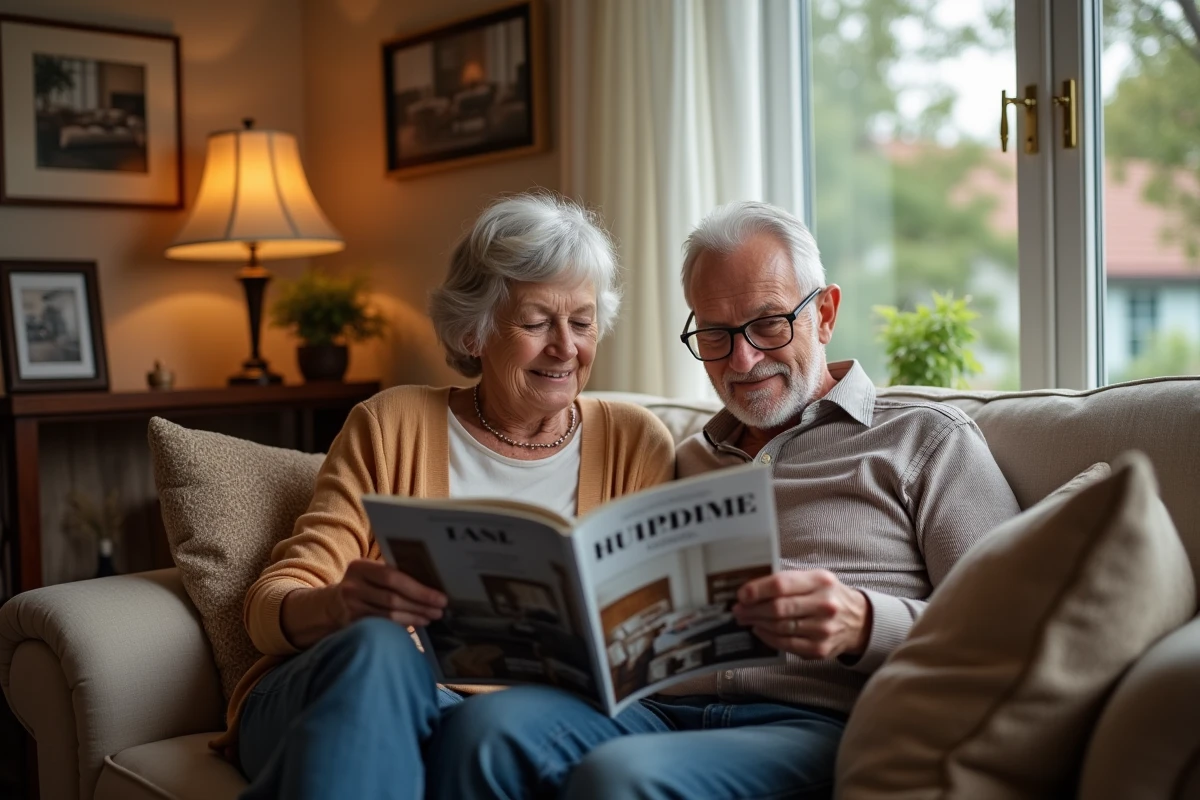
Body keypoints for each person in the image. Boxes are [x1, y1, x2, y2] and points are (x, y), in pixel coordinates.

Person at [428, 201, 1021, 799]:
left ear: (825, 313)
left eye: (768, 323)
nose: (742, 359)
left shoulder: (925, 440)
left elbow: (1015, 630)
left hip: (815, 724)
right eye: (714, 333)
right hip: (656, 712)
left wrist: (865, 622)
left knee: (621, 778)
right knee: (484, 730)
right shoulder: (680, 458)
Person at [222, 193, 676, 799]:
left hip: (502, 729)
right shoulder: (391, 423)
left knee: (465, 736)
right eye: (537, 322)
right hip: (343, 690)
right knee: (384, 648)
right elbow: (269, 606)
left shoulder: (634, 443)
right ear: (473, 331)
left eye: (583, 321)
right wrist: (339, 607)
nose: (566, 346)